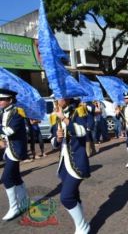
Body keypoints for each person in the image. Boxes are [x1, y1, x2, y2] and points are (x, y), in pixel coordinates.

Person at [51, 98, 90, 233]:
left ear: (67, 98)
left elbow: (82, 132)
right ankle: (82, 224)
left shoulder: (78, 111)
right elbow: (53, 141)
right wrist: (57, 138)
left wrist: (65, 119)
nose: (56, 100)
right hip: (64, 163)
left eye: (58, 97)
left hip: (77, 162)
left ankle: (83, 226)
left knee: (66, 197)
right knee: (73, 195)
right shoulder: (56, 115)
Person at [0, 88, 29, 221]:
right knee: (16, 177)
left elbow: (10, 130)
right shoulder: (3, 112)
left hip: (16, 150)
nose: (0, 101)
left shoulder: (17, 112)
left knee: (6, 178)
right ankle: (24, 203)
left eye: (2, 99)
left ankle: (14, 207)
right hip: (9, 149)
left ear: (10, 100)